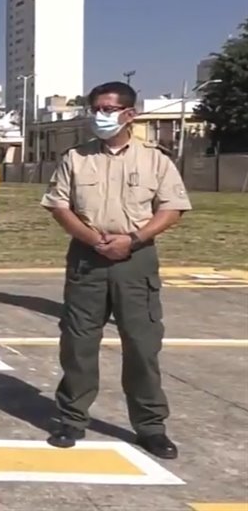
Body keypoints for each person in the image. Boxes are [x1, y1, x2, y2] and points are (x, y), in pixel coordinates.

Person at [40, 81, 191, 460]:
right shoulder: (76, 158)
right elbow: (59, 206)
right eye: (96, 108)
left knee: (141, 345)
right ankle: (72, 418)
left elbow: (171, 208)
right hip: (87, 257)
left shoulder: (155, 159)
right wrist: (91, 238)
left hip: (135, 258)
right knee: (78, 341)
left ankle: (151, 426)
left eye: (108, 109)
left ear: (130, 114)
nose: (100, 116)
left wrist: (135, 239)